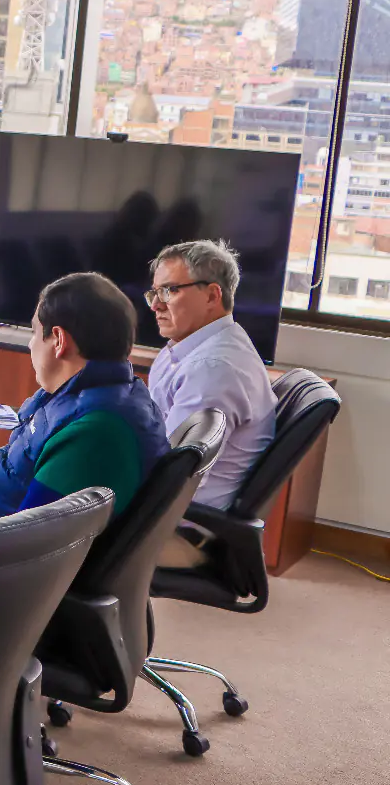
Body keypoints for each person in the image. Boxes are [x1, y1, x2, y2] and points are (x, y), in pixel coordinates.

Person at [0, 272, 169, 523]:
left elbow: (26, 539)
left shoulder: (94, 430)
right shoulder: (101, 393)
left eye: (35, 333)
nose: (30, 345)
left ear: (59, 340)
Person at [147, 240, 277, 566]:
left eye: (170, 291)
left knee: (46, 545)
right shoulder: (191, 348)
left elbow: (170, 475)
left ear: (212, 296)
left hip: (180, 529)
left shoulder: (213, 367)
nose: (156, 305)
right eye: (154, 293)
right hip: (171, 514)